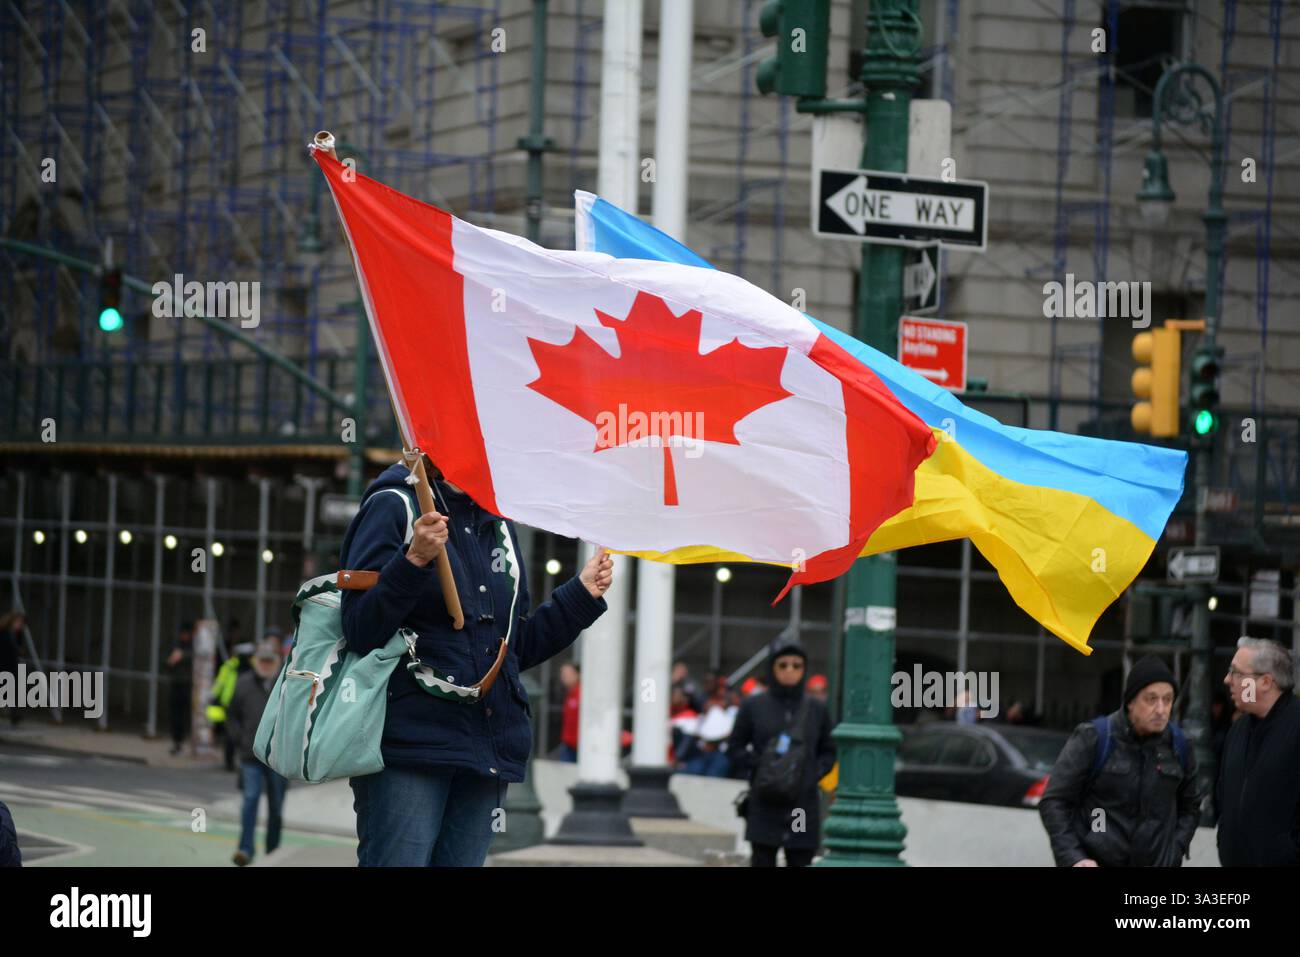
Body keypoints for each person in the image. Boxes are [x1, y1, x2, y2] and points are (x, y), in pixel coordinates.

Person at [339, 457, 612, 867]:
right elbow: (360, 627)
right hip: (410, 747)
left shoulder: (496, 520)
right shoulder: (393, 503)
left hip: (485, 747)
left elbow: (512, 650)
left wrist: (579, 595)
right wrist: (412, 561)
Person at [1038, 655, 1202, 867]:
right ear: (1131, 702)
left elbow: (1190, 807)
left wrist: (1175, 850)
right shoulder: (1095, 737)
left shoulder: (1180, 746)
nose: (1161, 710)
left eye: (1168, 699)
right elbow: (1054, 801)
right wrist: (1074, 858)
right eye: (1151, 699)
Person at [727, 637, 836, 867]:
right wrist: (759, 766)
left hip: (801, 806)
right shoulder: (753, 706)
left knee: (800, 858)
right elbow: (734, 747)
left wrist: (811, 774)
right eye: (783, 665)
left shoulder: (816, 709)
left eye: (797, 665)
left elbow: (829, 750)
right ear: (772, 668)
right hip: (765, 802)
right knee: (763, 858)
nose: (790, 671)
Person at [1216, 637, 1300, 866]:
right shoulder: (1237, 731)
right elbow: (1223, 798)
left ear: (1265, 682)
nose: (1227, 680)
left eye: (1236, 673)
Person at [226, 639, 289, 866]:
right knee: (250, 800)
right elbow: (230, 714)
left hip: (277, 758)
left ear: (278, 661)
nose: (265, 664)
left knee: (276, 806)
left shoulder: (287, 684)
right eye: (261, 660)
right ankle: (245, 849)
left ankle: (273, 850)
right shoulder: (243, 683)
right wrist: (239, 738)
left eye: (269, 660)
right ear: (255, 661)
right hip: (250, 755)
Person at [207, 641, 255, 772]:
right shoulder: (229, 666)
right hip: (230, 704)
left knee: (245, 733)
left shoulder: (254, 666)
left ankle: (245, 760)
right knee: (230, 735)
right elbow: (221, 682)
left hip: (246, 705)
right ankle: (229, 762)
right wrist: (215, 698)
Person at [164, 621, 195, 755]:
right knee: (176, 715)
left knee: (188, 715)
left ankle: (187, 742)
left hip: (189, 686)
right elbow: (166, 663)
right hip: (176, 685)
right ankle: (177, 742)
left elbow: (196, 657)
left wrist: (183, 656)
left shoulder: (192, 648)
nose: (184, 636)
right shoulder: (175, 646)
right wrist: (171, 660)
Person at [0, 611, 25, 727]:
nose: (20, 625)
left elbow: (18, 649)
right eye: (18, 622)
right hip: (3, 665)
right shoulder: (4, 633)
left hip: (11, 666)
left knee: (13, 691)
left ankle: (14, 714)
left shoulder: (18, 634)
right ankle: (13, 713)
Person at [557, 662, 580, 762]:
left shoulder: (582, 693)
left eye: (568, 674)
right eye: (563, 674)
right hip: (569, 743)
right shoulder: (569, 693)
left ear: (578, 674)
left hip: (579, 745)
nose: (564, 677)